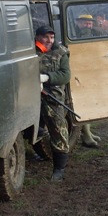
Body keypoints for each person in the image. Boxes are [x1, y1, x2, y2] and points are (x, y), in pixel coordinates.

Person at [35, 25, 72, 181]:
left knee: (58, 129)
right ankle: (38, 133)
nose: (49, 40)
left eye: (51, 37)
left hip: (52, 96)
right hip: (30, 95)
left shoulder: (61, 53)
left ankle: (59, 170)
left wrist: (47, 78)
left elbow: (65, 75)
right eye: (45, 37)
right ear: (37, 37)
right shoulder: (28, 51)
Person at [74, 14, 103, 148]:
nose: (88, 26)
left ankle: (88, 132)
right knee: (82, 105)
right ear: (78, 23)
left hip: (90, 72)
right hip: (78, 73)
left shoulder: (94, 33)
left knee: (89, 104)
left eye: (90, 24)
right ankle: (85, 135)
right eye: (85, 23)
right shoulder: (74, 33)